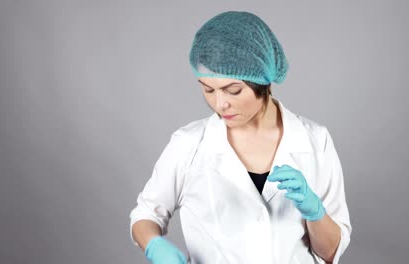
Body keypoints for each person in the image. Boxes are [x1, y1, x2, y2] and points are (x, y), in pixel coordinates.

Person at [129, 11, 351, 264]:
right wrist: (154, 245)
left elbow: (331, 252)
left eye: (232, 90)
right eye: (208, 90)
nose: (220, 104)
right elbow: (145, 215)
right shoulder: (188, 143)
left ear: (264, 81)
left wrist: (315, 213)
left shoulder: (315, 141)